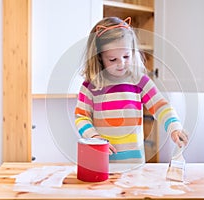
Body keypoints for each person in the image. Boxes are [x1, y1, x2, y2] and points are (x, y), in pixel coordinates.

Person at [75, 16, 188, 163]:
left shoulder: (139, 81)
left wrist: (174, 127)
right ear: (99, 57)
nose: (121, 63)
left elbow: (161, 107)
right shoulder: (91, 86)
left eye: (126, 56)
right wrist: (95, 138)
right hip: (102, 163)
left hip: (134, 164)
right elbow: (81, 117)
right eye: (112, 59)